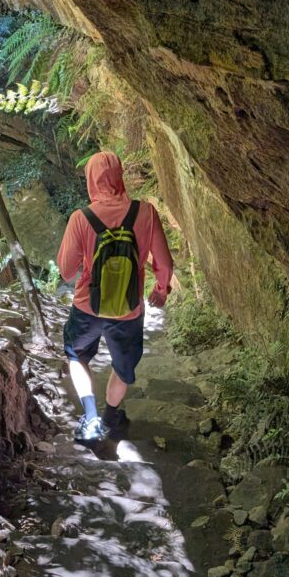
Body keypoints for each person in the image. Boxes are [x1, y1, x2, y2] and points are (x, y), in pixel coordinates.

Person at [56, 151, 173, 441]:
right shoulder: (145, 212)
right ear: (119, 177)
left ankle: (91, 417)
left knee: (76, 354)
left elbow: (66, 271)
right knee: (123, 365)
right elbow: (165, 263)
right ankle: (111, 415)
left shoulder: (80, 218)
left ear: (90, 180)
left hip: (87, 307)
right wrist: (160, 290)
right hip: (129, 309)